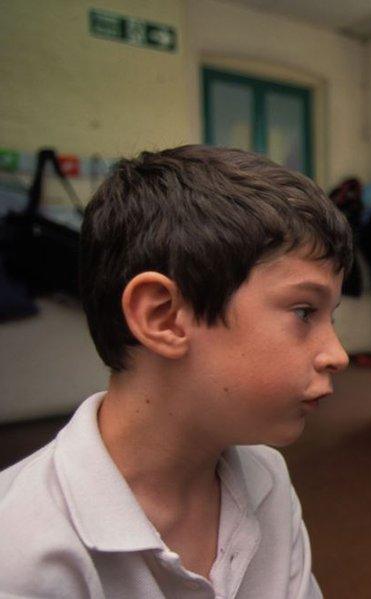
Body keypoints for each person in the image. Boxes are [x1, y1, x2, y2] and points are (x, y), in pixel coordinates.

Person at [0, 145, 352, 598]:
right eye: (304, 311)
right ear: (163, 317)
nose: (337, 354)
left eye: (331, 315)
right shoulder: (20, 553)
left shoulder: (266, 479)